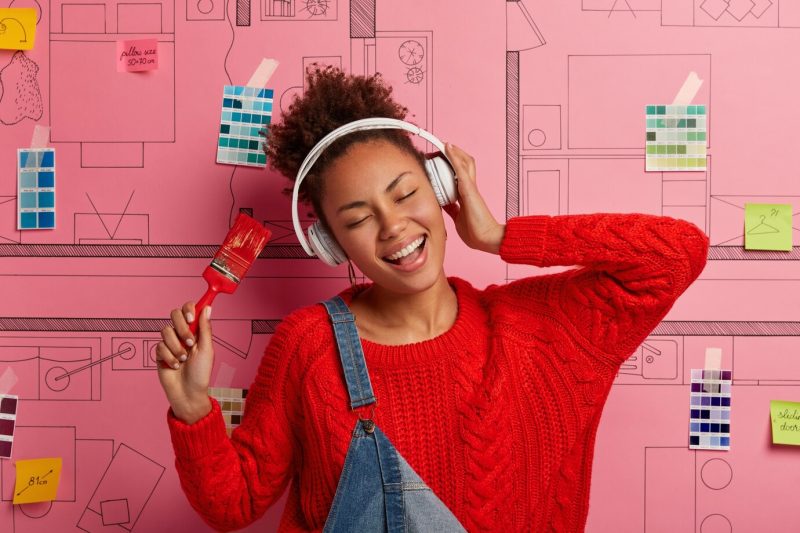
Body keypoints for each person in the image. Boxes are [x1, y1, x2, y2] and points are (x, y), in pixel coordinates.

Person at [156, 66, 709, 532]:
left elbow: (676, 254)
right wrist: (192, 407)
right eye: (358, 218)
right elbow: (234, 505)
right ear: (330, 243)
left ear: (443, 189)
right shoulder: (307, 344)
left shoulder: (541, 328)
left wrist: (496, 236)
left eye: (406, 194)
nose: (393, 226)